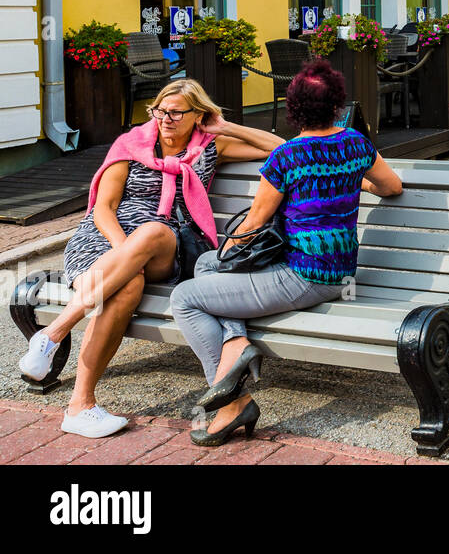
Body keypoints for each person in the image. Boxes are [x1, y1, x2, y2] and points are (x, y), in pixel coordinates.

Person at [17, 80, 283, 439]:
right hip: (103, 241)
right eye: (160, 110)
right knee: (127, 286)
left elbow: (282, 150)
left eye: (176, 113)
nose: (166, 119)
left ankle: (52, 334)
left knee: (154, 232)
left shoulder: (210, 146)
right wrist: (122, 250)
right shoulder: (130, 146)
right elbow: (103, 209)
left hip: (167, 246)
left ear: (198, 116)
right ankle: (81, 406)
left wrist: (224, 126)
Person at [170, 59, 404, 447]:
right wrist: (353, 184)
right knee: (206, 264)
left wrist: (229, 250)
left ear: (292, 108)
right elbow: (392, 186)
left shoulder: (288, 157)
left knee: (186, 297)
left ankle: (231, 399)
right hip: (341, 273)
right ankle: (236, 342)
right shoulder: (356, 144)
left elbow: (253, 226)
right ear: (337, 105)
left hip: (303, 278)